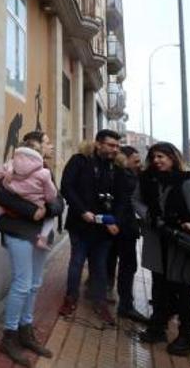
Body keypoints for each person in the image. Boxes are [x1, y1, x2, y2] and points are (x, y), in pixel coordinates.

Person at [135, 142, 190, 356]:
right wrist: (150, 217)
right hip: (158, 241)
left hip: (182, 242)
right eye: (154, 157)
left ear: (173, 157)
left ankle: (186, 338)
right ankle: (157, 327)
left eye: (161, 156)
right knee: (159, 287)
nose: (157, 161)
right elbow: (137, 201)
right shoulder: (147, 180)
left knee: (181, 289)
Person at [0, 131, 64, 368]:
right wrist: (32, 210)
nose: (50, 146)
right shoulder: (11, 166)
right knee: (22, 284)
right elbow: (1, 194)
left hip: (39, 235)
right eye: (46, 142)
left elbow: (58, 201)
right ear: (33, 145)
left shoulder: (45, 170)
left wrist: (48, 209)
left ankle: (26, 330)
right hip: (18, 231)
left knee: (34, 284)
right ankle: (9, 336)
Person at [58, 130, 129, 326]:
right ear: (98, 144)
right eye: (110, 145)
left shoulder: (118, 168)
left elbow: (123, 199)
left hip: (105, 227)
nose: (115, 149)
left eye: (117, 146)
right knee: (77, 262)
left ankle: (100, 302)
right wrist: (82, 211)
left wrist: (116, 221)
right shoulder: (79, 161)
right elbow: (67, 187)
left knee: (99, 265)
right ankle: (70, 298)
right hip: (81, 224)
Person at [0, 137, 57, 252]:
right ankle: (42, 238)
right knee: (50, 218)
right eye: (46, 144)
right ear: (39, 154)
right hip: (36, 204)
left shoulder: (11, 165)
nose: (51, 146)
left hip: (11, 203)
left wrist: (4, 176)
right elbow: (51, 195)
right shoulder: (44, 172)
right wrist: (48, 202)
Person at [105, 146, 149, 323]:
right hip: (123, 227)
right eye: (136, 161)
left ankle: (110, 296)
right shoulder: (125, 176)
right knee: (127, 266)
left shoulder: (116, 173)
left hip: (119, 226)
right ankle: (125, 305)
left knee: (115, 262)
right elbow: (124, 202)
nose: (139, 165)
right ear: (126, 159)